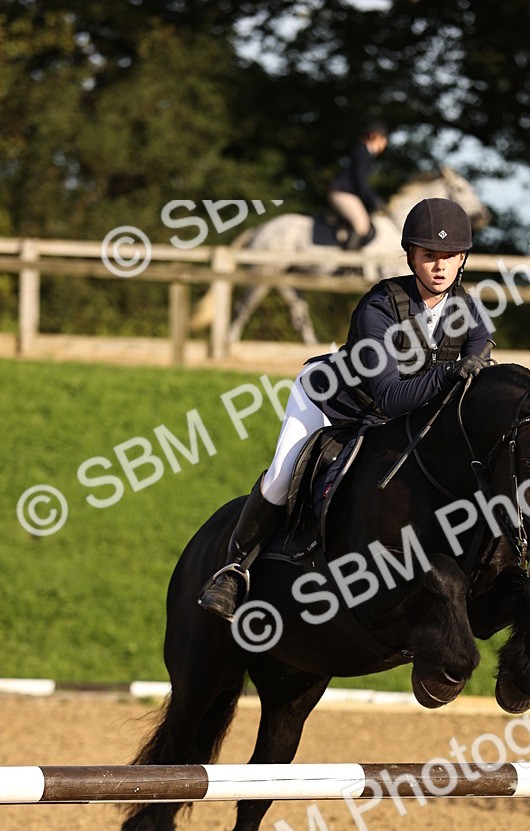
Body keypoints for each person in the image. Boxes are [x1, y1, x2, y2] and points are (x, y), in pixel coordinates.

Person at [198, 197, 493, 621]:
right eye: (430, 256)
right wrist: (451, 374)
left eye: (450, 257)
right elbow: (390, 396)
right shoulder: (378, 308)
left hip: (399, 417)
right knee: (283, 477)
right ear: (411, 255)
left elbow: (478, 379)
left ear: (463, 259)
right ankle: (232, 572)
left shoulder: (471, 312)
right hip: (333, 402)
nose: (440, 266)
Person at [327, 120, 389, 250]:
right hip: (342, 193)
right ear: (374, 136)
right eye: (383, 138)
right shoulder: (362, 152)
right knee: (362, 225)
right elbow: (361, 184)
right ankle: (348, 265)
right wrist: (374, 200)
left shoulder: (366, 154)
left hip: (347, 194)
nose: (385, 143)